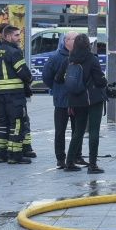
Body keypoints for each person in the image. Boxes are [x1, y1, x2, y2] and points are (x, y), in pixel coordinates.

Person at [0, 22, 36, 164]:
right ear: (7, 37)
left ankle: (0, 154)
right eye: (16, 35)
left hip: (0, 95)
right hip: (14, 96)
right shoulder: (14, 52)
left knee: (2, 124)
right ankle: (15, 155)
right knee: (17, 124)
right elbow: (24, 73)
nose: (19, 38)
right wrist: (29, 80)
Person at [61, 33, 108, 173]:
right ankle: (92, 165)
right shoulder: (92, 59)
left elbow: (60, 78)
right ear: (88, 45)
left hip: (76, 100)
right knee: (94, 131)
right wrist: (104, 82)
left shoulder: (69, 59)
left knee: (78, 131)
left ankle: (69, 162)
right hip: (92, 99)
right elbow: (99, 80)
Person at [42, 33, 75, 168]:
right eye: (74, 39)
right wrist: (57, 89)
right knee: (60, 131)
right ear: (66, 41)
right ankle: (60, 158)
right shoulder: (56, 57)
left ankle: (76, 156)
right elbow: (46, 76)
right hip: (61, 100)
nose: (77, 41)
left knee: (77, 131)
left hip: (77, 101)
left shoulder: (79, 56)